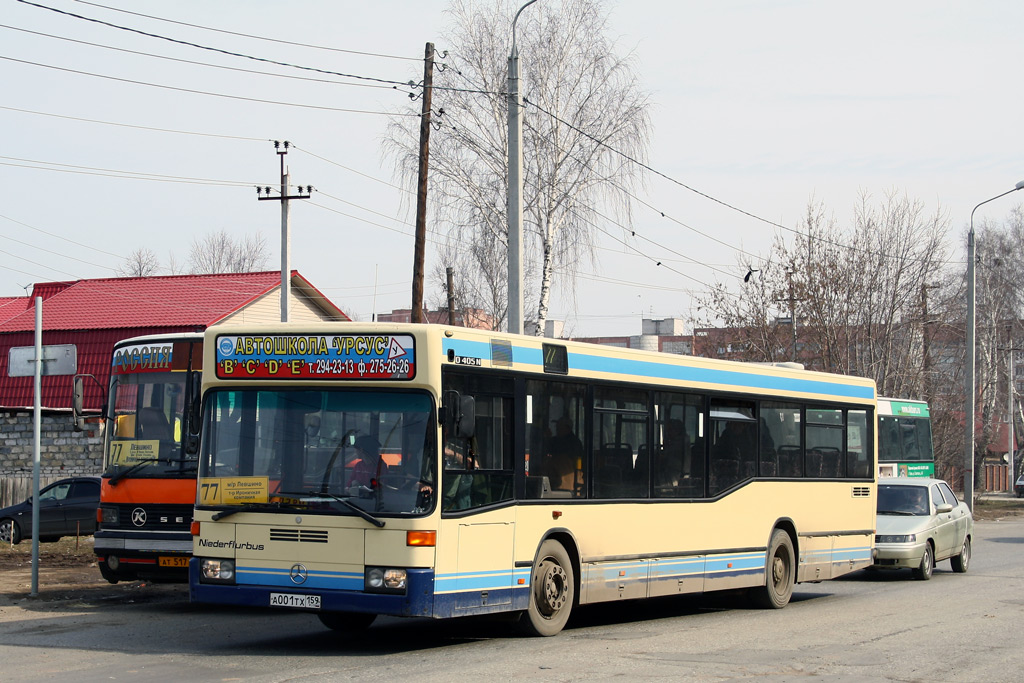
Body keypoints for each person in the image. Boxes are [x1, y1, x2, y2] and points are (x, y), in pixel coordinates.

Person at [545, 417, 583, 492]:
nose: (557, 429)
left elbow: (559, 454)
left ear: (567, 428)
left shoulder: (573, 443)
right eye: (557, 426)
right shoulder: (557, 440)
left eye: (559, 427)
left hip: (566, 483)